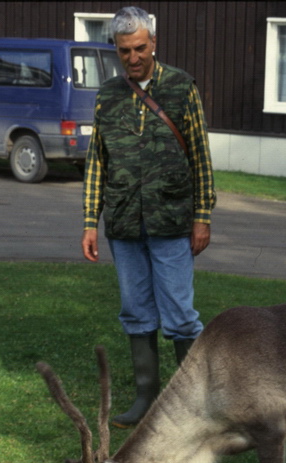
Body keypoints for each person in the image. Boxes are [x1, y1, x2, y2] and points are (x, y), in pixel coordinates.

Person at [81, 6, 216, 429]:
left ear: (153, 43)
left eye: (140, 47)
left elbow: (199, 154)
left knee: (179, 315)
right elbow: (97, 162)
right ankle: (145, 400)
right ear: (116, 50)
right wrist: (89, 221)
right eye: (125, 50)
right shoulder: (107, 95)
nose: (133, 57)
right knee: (136, 312)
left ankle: (193, 404)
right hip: (123, 224)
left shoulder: (180, 88)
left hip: (172, 221)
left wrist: (202, 215)